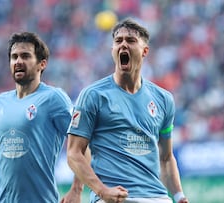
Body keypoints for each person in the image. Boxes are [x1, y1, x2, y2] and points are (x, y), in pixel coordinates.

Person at [66, 18, 189, 203]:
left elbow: (166, 157)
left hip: (157, 197)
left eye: (130, 41)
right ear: (113, 51)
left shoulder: (163, 99)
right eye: (118, 41)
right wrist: (102, 191)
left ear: (145, 51)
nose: (123, 45)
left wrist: (179, 195)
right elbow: (74, 153)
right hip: (115, 197)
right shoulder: (93, 95)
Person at [0, 32, 83, 203]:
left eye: (25, 56)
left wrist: (76, 189)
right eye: (14, 57)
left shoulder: (54, 98)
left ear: (42, 64)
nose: (18, 61)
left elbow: (82, 140)